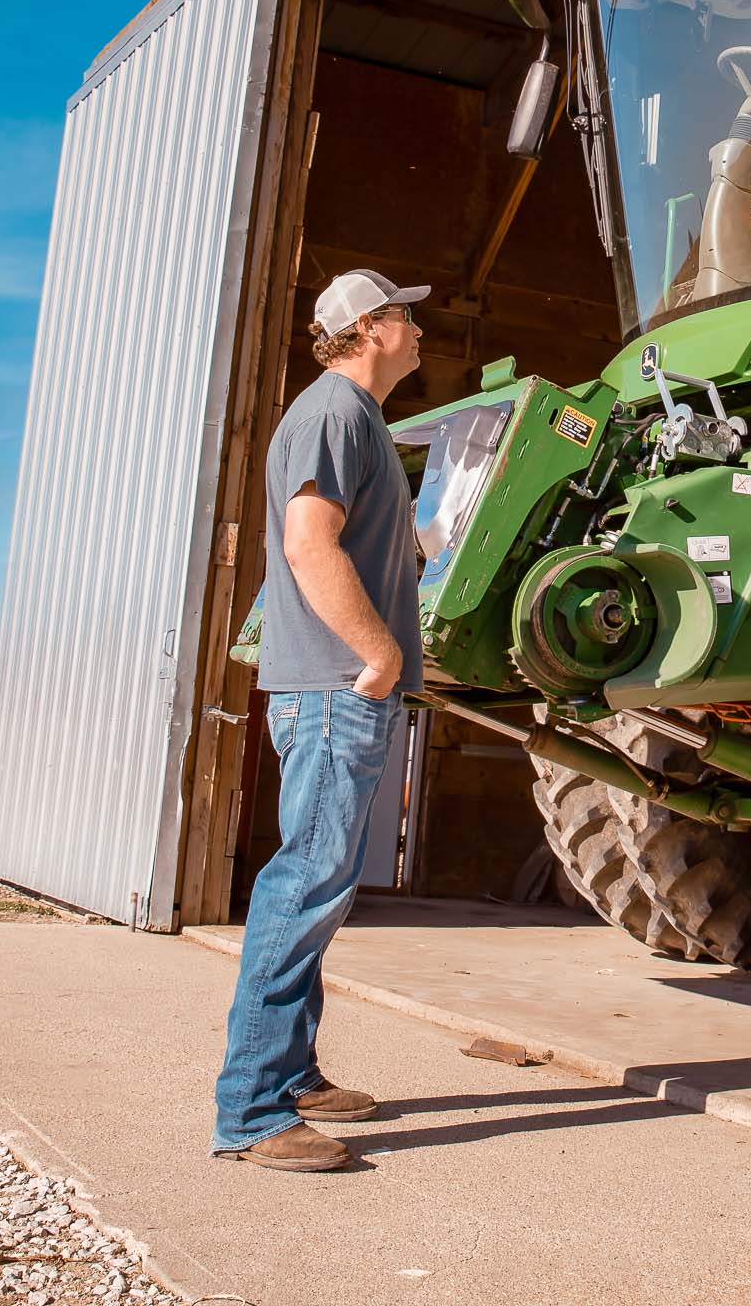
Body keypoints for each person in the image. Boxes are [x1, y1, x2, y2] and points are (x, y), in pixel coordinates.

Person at [209, 266, 429, 1173]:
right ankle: (255, 1111)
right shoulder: (337, 413)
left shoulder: (350, 419)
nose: (420, 330)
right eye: (406, 318)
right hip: (339, 694)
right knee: (302, 889)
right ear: (371, 328)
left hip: (334, 693)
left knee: (317, 892)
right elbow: (308, 542)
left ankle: (291, 1076)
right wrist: (377, 657)